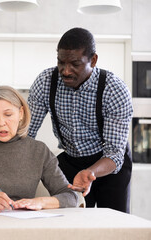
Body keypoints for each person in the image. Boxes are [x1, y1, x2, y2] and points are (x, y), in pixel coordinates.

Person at [27, 27, 133, 213]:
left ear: (93, 60)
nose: (66, 71)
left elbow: (115, 153)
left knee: (113, 224)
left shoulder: (114, 90)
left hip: (108, 164)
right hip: (71, 161)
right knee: (71, 220)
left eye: (75, 64)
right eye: (61, 62)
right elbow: (26, 131)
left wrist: (90, 172)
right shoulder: (45, 82)